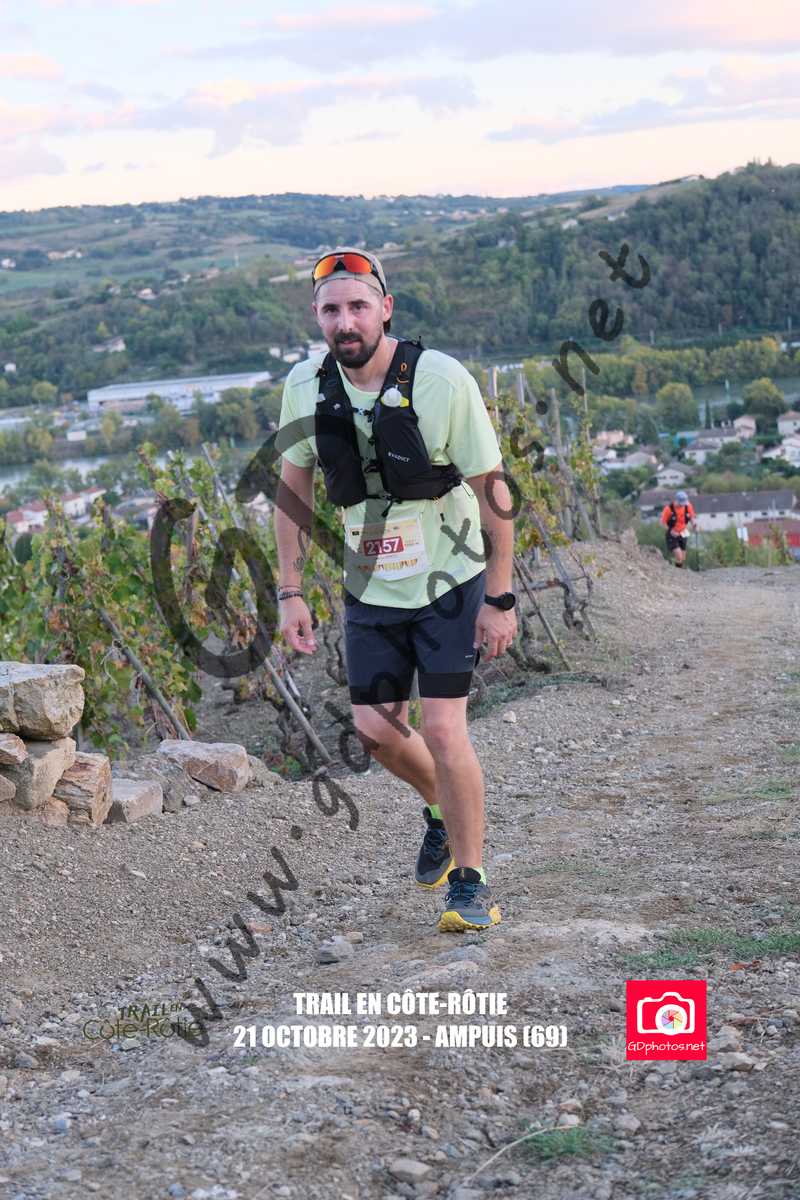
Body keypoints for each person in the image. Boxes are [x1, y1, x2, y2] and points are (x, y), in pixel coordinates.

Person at [273, 247, 517, 932]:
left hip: (450, 574)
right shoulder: (304, 386)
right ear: (317, 317)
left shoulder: (440, 380)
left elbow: (494, 492)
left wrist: (500, 597)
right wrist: (289, 591)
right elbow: (292, 493)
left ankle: (469, 883)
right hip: (371, 584)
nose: (345, 321)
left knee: (442, 727)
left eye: (358, 306)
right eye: (331, 310)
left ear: (385, 308)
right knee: (376, 731)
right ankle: (443, 807)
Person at [660, 489, 697, 568]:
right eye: (681, 503)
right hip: (672, 535)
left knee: (683, 557)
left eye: (684, 503)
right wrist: (671, 531)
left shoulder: (687, 506)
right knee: (679, 555)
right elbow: (662, 523)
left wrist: (694, 524)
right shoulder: (668, 509)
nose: (682, 505)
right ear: (676, 500)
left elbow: (691, 516)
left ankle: (679, 570)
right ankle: (678, 571)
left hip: (683, 532)